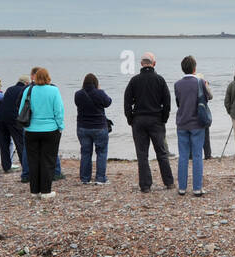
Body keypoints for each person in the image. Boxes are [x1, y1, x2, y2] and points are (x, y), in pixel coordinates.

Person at [124, 52, 174, 193]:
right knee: (162, 153)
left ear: (141, 64)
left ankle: (145, 185)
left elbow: (127, 102)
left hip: (139, 120)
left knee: (142, 154)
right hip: (156, 119)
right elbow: (167, 102)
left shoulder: (134, 81)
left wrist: (130, 119)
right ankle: (169, 182)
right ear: (154, 64)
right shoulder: (160, 80)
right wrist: (163, 118)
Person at [21, 67, 64, 198]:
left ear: (35, 77)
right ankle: (46, 191)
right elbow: (59, 111)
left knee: (33, 160)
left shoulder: (28, 90)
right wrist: (60, 126)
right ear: (48, 77)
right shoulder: (54, 90)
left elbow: (21, 110)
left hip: (31, 130)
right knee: (48, 160)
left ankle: (34, 191)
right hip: (50, 129)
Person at [173, 56, 211, 196]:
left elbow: (178, 102)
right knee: (197, 155)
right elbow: (207, 98)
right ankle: (197, 188)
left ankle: (182, 187)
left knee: (183, 156)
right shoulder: (200, 82)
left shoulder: (177, 84)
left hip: (182, 122)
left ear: (183, 68)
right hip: (197, 123)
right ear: (194, 68)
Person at [75, 73, 113, 185]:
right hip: (99, 126)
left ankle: (85, 178)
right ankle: (100, 178)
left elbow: (77, 104)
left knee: (86, 153)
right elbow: (108, 102)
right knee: (101, 152)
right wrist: (100, 90)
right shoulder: (99, 93)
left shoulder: (78, 94)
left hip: (83, 127)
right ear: (96, 83)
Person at [0, 75, 30, 181]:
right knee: (20, 143)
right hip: (14, 119)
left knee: (4, 143)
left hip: (1, 118)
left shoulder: (10, 89)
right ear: (26, 83)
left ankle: (6, 167)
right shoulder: (24, 90)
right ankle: (25, 166)